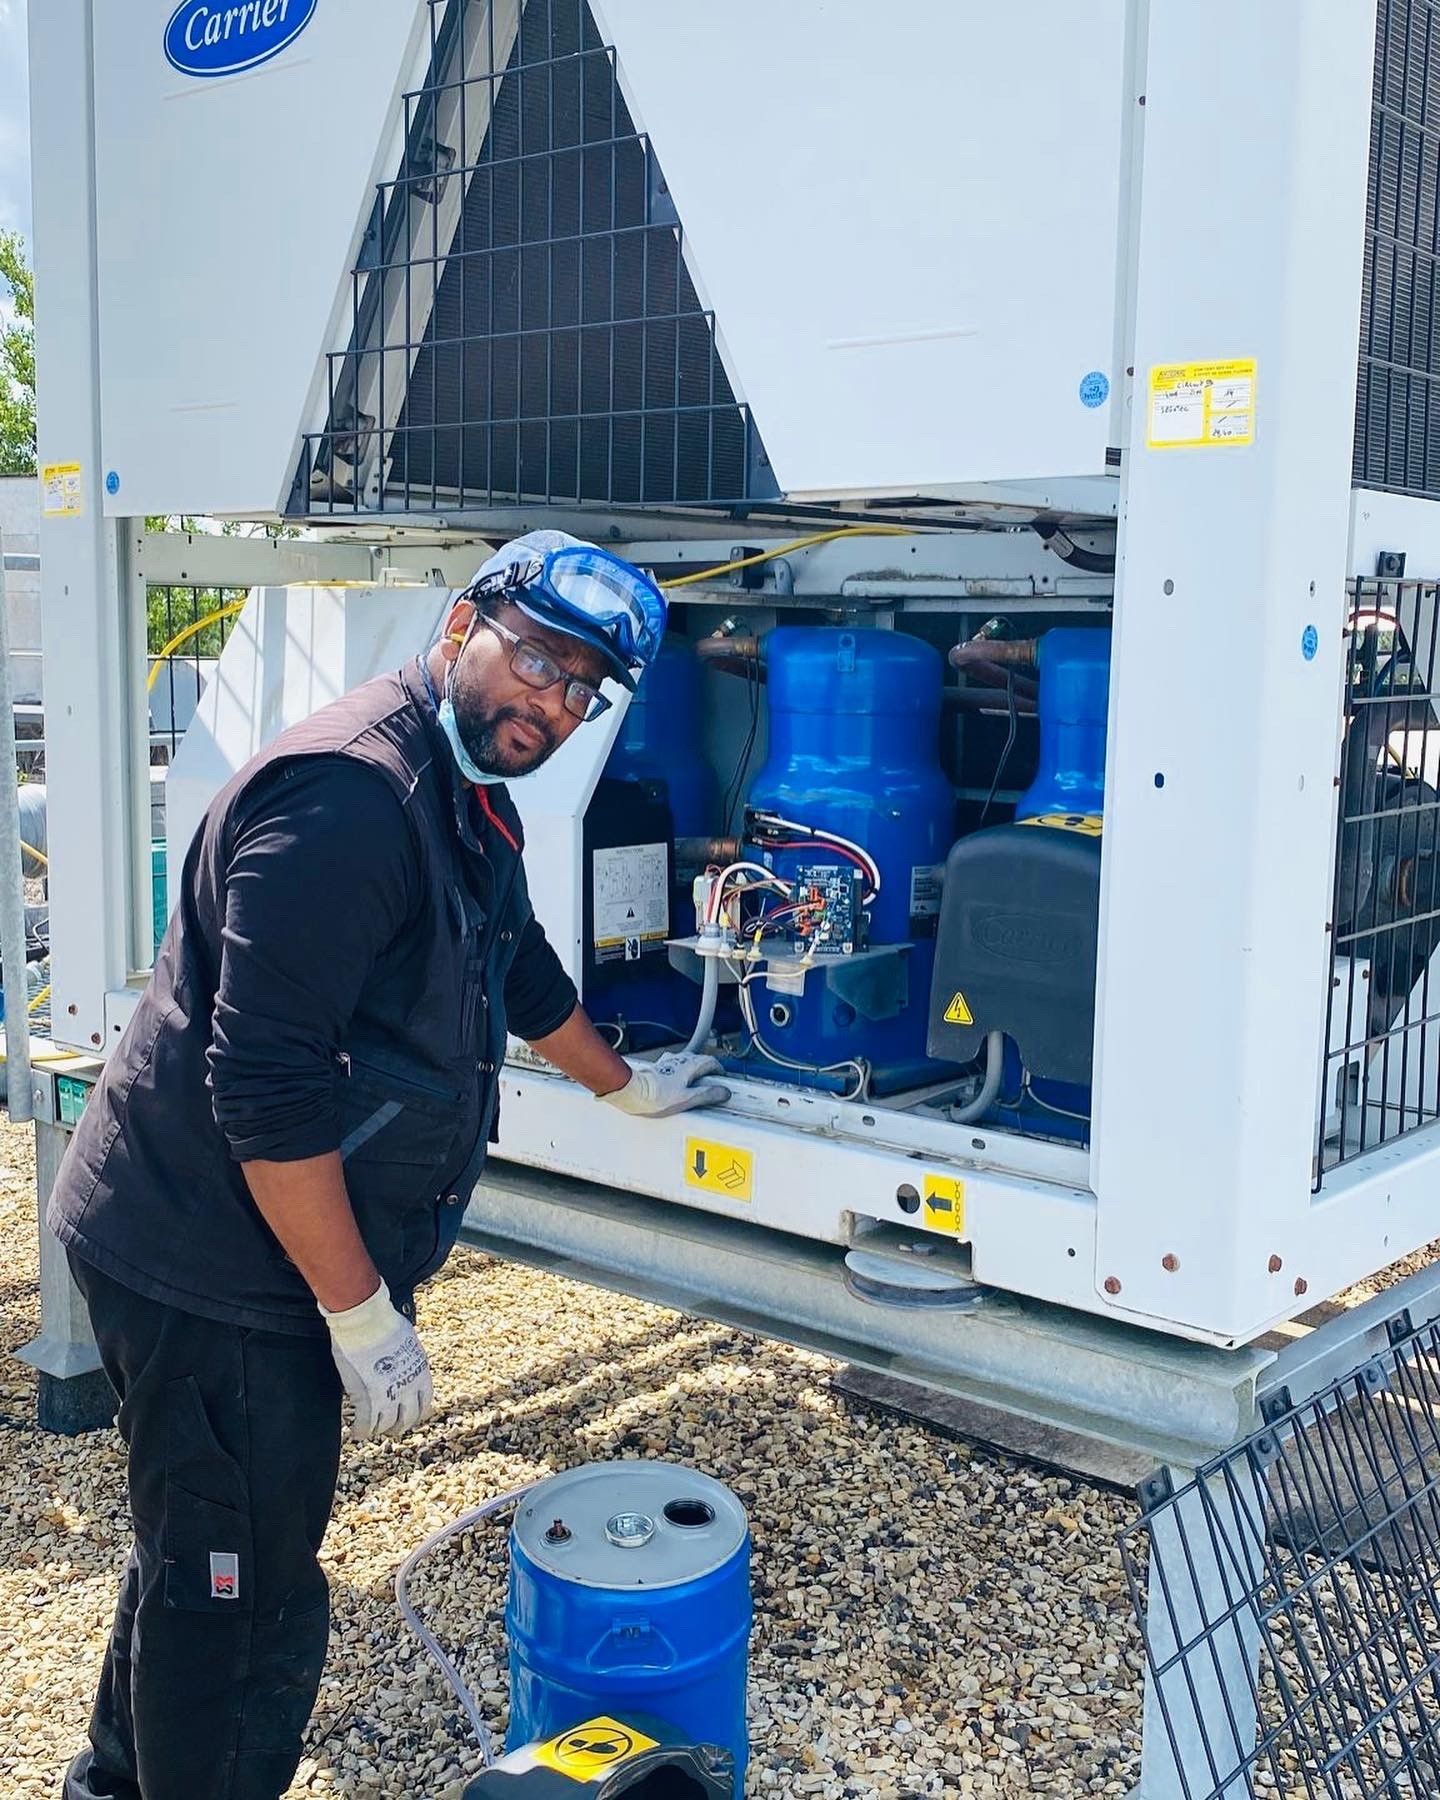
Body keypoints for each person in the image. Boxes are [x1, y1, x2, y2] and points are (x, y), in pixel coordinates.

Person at [49, 532, 728, 1800]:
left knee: (198, 1544)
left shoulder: (470, 789)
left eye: (587, 689)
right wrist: (358, 1313)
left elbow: (517, 966)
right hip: (212, 1259)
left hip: (254, 1243)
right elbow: (263, 1094)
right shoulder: (348, 804)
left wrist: (624, 1083)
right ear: (466, 621)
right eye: (540, 660)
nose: (556, 704)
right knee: (244, 1600)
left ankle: (109, 1786)